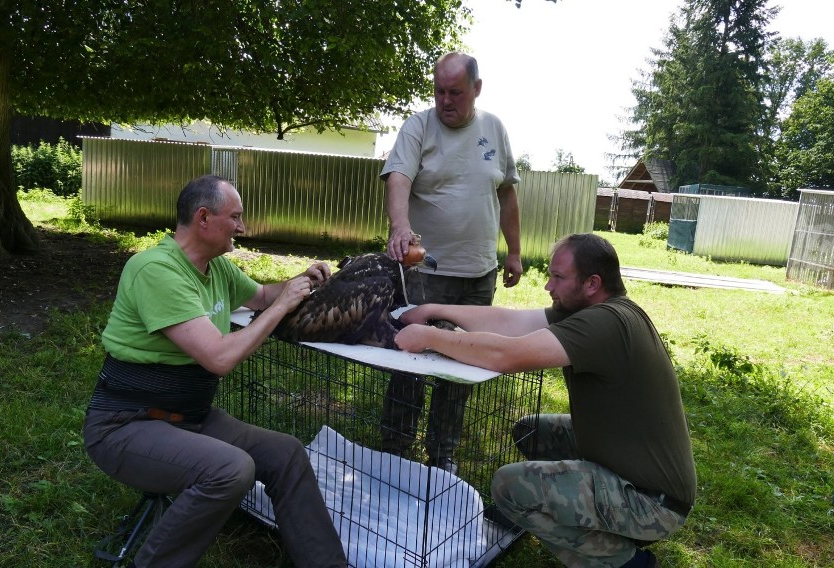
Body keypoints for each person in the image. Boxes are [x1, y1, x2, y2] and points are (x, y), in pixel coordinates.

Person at [83, 175, 347, 568]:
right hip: (125, 425)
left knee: (286, 453)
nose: (242, 227)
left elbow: (259, 296)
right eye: (235, 217)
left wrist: (300, 281)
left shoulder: (216, 268)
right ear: (204, 217)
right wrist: (279, 309)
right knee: (230, 470)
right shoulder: (155, 270)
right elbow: (219, 358)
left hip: (189, 418)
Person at [393, 233, 696, 568]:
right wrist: (432, 310)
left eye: (558, 277)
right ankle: (579, 509)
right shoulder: (591, 311)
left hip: (653, 504)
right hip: (631, 467)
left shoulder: (604, 323)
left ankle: (626, 560)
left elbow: (505, 355)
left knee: (507, 486)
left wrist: (429, 337)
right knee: (530, 432)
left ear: (592, 283)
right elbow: (510, 323)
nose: (548, 287)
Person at [380, 51, 522, 474]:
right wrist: (400, 226)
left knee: (463, 363)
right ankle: (395, 452)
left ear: (476, 89)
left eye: (455, 92)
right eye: (439, 91)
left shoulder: (494, 129)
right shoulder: (418, 127)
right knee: (411, 362)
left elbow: (508, 192)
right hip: (426, 275)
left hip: (479, 275)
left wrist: (512, 251)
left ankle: (442, 454)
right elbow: (398, 178)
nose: (445, 100)